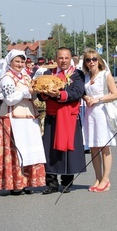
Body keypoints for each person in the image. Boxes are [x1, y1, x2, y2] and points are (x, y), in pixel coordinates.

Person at [0, 50, 46, 195]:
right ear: (10, 62)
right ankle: (15, 183)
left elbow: (32, 92)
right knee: (16, 151)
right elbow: (9, 99)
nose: (20, 64)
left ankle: (28, 182)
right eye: (17, 61)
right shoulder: (6, 78)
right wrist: (25, 92)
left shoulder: (26, 77)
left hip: (28, 117)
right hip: (12, 119)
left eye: (22, 62)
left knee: (29, 150)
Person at [36, 47, 86, 194]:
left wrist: (59, 94)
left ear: (70, 58)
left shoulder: (77, 75)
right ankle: (51, 183)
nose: (63, 61)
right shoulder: (47, 74)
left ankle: (66, 182)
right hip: (52, 116)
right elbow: (40, 95)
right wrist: (45, 93)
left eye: (66, 58)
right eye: (60, 58)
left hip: (69, 118)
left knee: (68, 149)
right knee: (49, 150)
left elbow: (77, 92)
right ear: (56, 59)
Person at [81, 50, 117, 192]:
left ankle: (106, 178)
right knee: (93, 147)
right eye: (88, 60)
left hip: (102, 113)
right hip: (90, 114)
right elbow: (83, 93)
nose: (91, 62)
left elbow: (115, 94)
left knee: (104, 146)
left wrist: (98, 99)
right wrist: (86, 98)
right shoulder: (85, 76)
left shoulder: (105, 75)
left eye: (94, 59)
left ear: (99, 60)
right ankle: (97, 178)